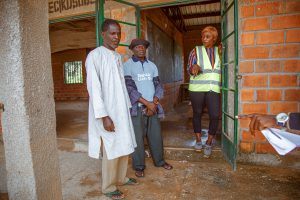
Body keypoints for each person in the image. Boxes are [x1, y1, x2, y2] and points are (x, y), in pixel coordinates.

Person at [85, 19, 137, 200]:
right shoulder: (95, 56)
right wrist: (104, 116)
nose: (116, 37)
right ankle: (108, 187)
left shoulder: (116, 56)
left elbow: (121, 86)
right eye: (112, 33)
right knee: (112, 147)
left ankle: (121, 178)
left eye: (118, 33)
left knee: (124, 143)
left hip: (121, 109)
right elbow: (94, 89)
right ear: (103, 34)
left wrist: (128, 107)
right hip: (107, 112)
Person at [123, 38, 173, 178]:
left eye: (143, 47)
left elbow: (158, 85)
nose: (141, 49)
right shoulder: (127, 66)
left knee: (156, 136)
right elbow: (130, 89)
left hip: (153, 107)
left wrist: (154, 103)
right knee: (138, 139)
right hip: (137, 108)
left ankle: (160, 161)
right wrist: (147, 103)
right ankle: (139, 166)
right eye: (137, 47)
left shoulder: (152, 65)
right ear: (132, 49)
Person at [187, 26, 222, 157]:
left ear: (214, 38)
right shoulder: (195, 51)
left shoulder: (220, 51)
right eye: (203, 36)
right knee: (197, 113)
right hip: (197, 88)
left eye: (207, 36)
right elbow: (189, 68)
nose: (204, 39)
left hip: (213, 88)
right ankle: (198, 140)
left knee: (214, 115)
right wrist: (193, 67)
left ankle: (209, 141)